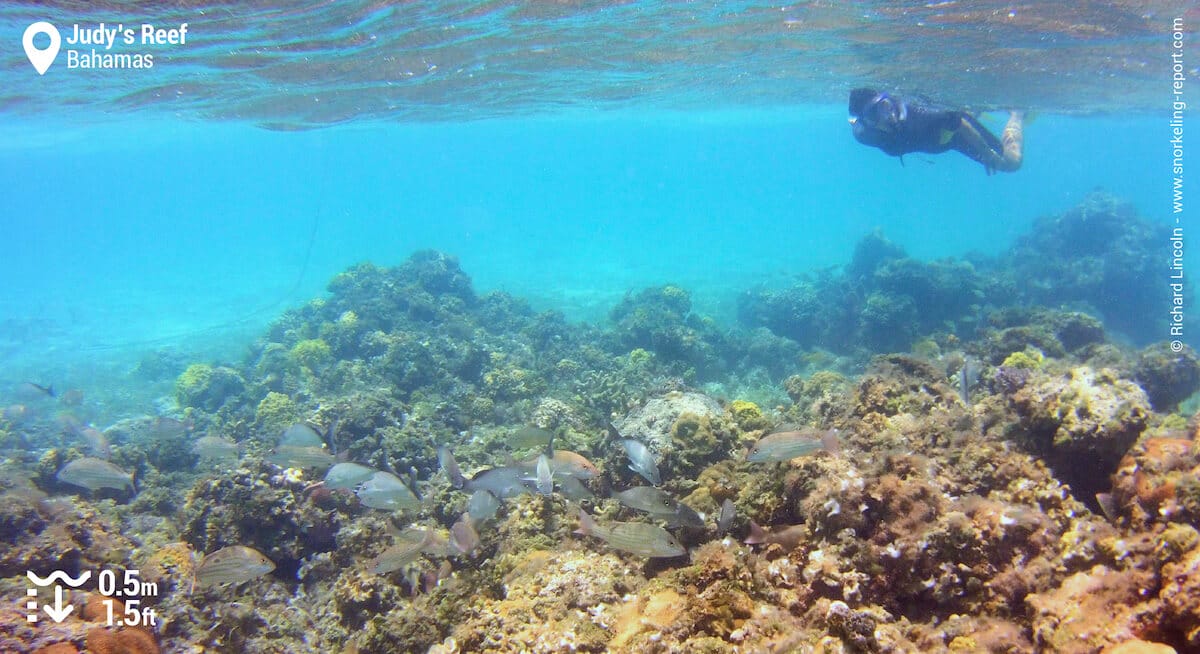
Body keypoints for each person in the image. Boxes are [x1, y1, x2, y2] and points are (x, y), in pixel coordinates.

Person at [848, 88, 1023, 174]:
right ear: (867, 123)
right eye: (875, 113)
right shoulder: (865, 135)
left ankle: (1017, 114)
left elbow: (958, 123)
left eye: (885, 105)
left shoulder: (917, 114)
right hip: (939, 141)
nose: (889, 114)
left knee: (1011, 163)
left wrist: (987, 154)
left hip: (958, 134)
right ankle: (976, 110)